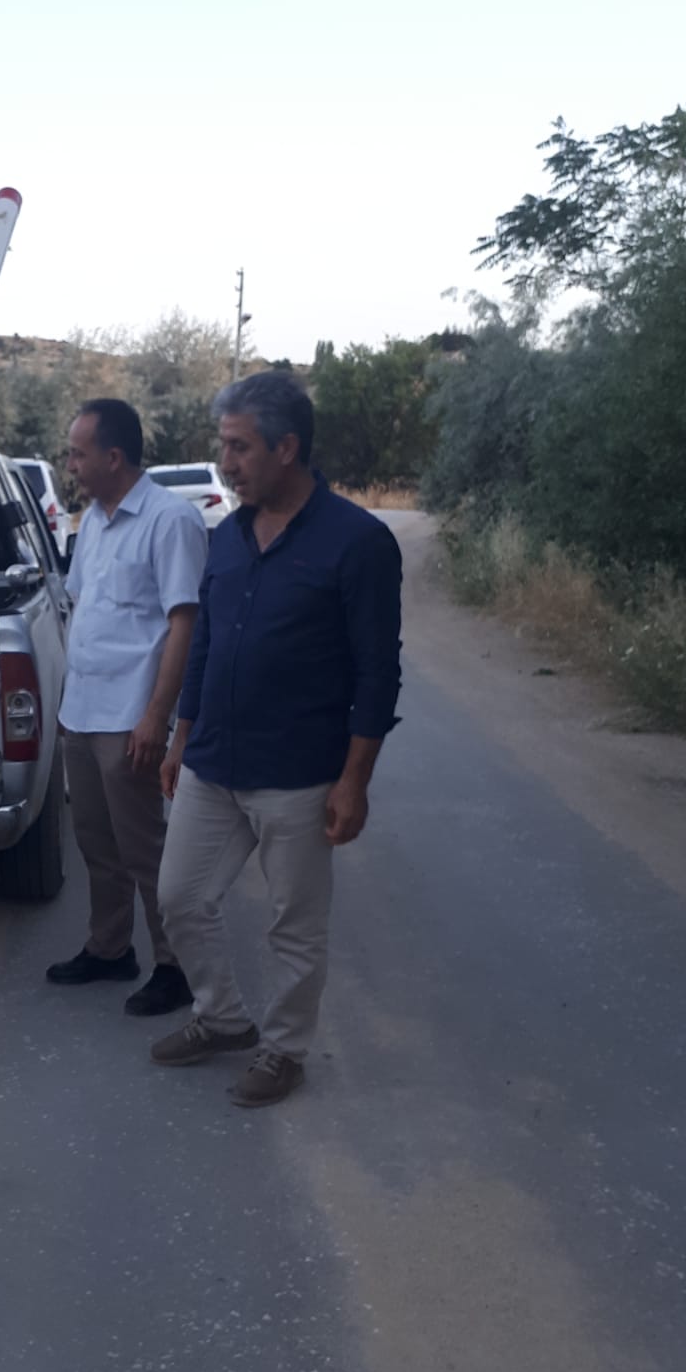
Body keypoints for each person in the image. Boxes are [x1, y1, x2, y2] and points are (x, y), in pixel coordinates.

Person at [152, 372, 402, 1106]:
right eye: (223, 447)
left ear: (286, 448)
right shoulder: (226, 537)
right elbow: (204, 646)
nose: (226, 464)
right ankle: (222, 1018)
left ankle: (284, 1050)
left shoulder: (358, 542)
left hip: (297, 773)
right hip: (212, 762)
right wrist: (180, 737)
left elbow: (377, 673)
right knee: (180, 899)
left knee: (294, 926)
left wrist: (354, 780)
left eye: (240, 447)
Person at [47, 399, 208, 1016]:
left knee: (145, 848)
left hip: (129, 716)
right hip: (83, 710)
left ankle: (177, 965)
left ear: (113, 457)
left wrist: (156, 718)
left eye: (78, 453)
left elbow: (183, 624)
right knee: (96, 841)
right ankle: (110, 948)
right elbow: (84, 608)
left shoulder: (170, 521)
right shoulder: (92, 520)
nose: (70, 464)